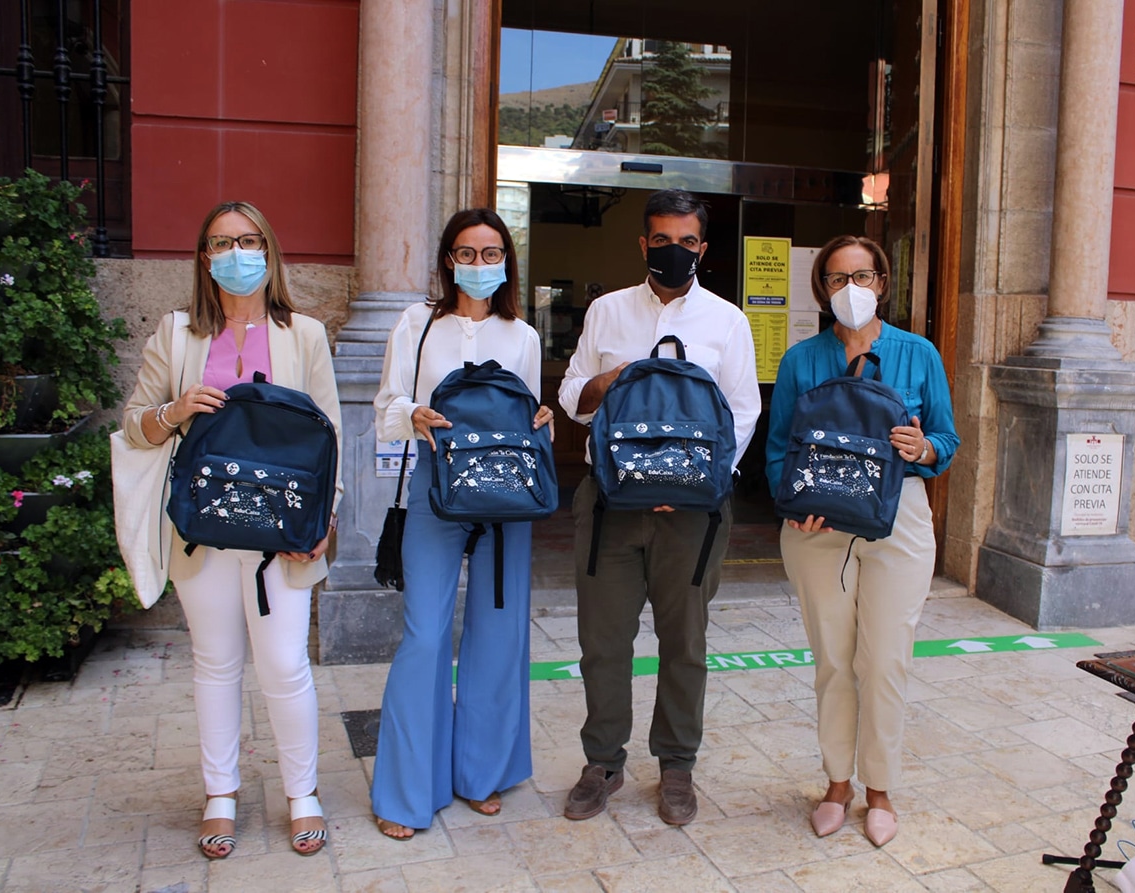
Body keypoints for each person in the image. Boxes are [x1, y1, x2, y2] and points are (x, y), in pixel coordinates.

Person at [120, 201, 343, 858]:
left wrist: (325, 519)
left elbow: (329, 432)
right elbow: (134, 424)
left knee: (284, 662)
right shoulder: (176, 334)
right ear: (203, 257)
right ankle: (220, 792)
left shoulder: (302, 333)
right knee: (215, 664)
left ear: (268, 251)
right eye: (222, 242)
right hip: (203, 529)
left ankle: (302, 792)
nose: (237, 253)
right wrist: (175, 407)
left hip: (284, 531)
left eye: (248, 241)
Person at [558, 189, 761, 826]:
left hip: (692, 514)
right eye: (663, 240)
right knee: (603, 642)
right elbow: (571, 398)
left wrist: (700, 482)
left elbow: (743, 411)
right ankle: (603, 763)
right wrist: (610, 379)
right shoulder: (606, 312)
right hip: (612, 503)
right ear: (644, 244)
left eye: (688, 241)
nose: (676, 251)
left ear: (704, 247)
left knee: (686, 644)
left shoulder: (727, 320)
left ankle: (677, 766)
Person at [765, 234, 959, 847]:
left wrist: (922, 448)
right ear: (821, 288)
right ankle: (836, 785)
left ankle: (879, 791)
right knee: (833, 662)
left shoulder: (919, 353)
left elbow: (947, 442)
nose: (852, 290)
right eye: (837, 278)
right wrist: (793, 505)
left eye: (864, 277)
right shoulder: (801, 360)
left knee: (885, 661)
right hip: (817, 526)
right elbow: (775, 450)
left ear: (882, 283)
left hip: (897, 519)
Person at [371, 208, 554, 840]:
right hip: (434, 485)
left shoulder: (522, 336)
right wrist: (413, 414)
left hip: (507, 494)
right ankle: (407, 791)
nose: (480, 264)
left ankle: (482, 774)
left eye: (492, 253)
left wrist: (542, 422)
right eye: (467, 253)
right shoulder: (417, 324)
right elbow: (385, 404)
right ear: (448, 258)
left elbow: (528, 414)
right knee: (425, 635)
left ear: (508, 261)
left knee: (500, 633)